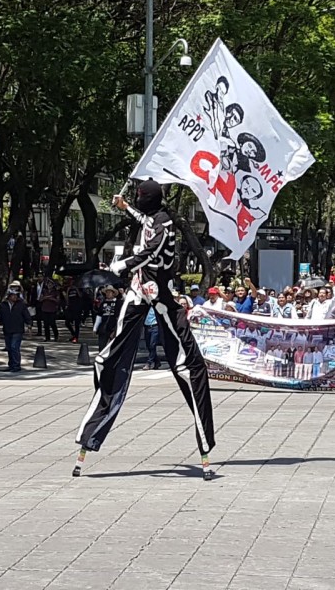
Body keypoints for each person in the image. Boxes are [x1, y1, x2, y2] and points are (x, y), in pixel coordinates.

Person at [74, 180, 215, 481]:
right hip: (140, 290)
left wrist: (120, 266)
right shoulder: (154, 217)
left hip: (161, 294)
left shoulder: (164, 226)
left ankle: (204, 440)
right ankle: (93, 428)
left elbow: (150, 251)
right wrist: (126, 208)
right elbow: (146, 221)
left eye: (140, 198)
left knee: (189, 363)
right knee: (111, 354)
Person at [0, 289, 32, 372]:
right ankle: (11, 364)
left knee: (14, 347)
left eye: (16, 295)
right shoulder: (3, 305)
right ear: (9, 296)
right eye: (13, 295)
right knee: (9, 348)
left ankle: (16, 365)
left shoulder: (21, 305)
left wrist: (29, 326)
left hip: (18, 329)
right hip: (7, 329)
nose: (15, 297)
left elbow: (27, 316)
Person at [94, 285, 122, 352]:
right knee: (101, 345)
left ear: (113, 294)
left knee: (113, 346)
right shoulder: (103, 303)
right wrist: (95, 328)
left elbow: (119, 316)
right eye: (107, 292)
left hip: (113, 327)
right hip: (103, 327)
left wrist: (116, 329)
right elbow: (99, 316)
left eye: (110, 292)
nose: (108, 294)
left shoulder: (118, 303)